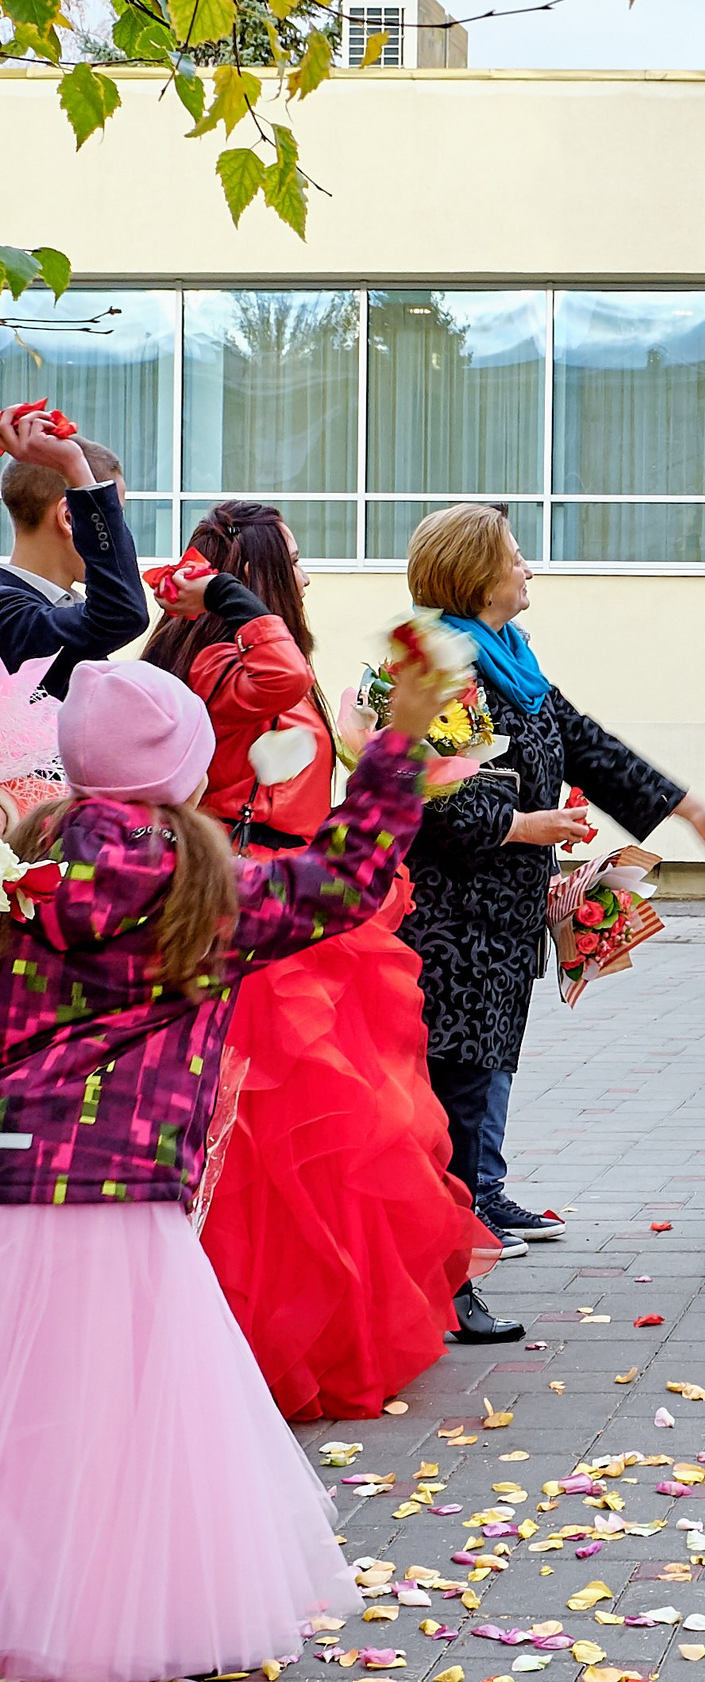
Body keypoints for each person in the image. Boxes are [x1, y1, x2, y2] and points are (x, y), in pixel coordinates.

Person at [0, 652, 453, 1682]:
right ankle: (101, 1618)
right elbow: (342, 883)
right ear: (184, 776)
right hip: (117, 1190)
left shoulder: (22, 872)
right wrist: (392, 755)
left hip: (10, 1172)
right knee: (119, 1423)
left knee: (19, 1417)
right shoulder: (198, 888)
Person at [144, 502, 513, 1415]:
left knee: (341, 1136)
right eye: (295, 564)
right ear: (259, 578)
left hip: (304, 899)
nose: (307, 579)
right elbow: (277, 672)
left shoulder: (261, 668)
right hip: (263, 907)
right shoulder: (233, 661)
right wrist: (230, 597)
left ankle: (325, 1318)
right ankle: (261, 1335)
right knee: (283, 1146)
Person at [397, 504, 705, 1251]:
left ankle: (483, 1189)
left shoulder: (510, 655)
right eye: (515, 556)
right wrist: (526, 827)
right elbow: (438, 798)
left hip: (505, 909)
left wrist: (687, 808)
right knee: (459, 1062)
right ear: (477, 575)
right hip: (453, 913)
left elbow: (584, 743)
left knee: (491, 1054)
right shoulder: (442, 665)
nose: (527, 568)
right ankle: (456, 1214)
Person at [0, 414, 155, 701]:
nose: (119, 535)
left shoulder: (59, 607)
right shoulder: (8, 613)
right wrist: (74, 469)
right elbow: (122, 614)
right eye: (113, 516)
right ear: (69, 518)